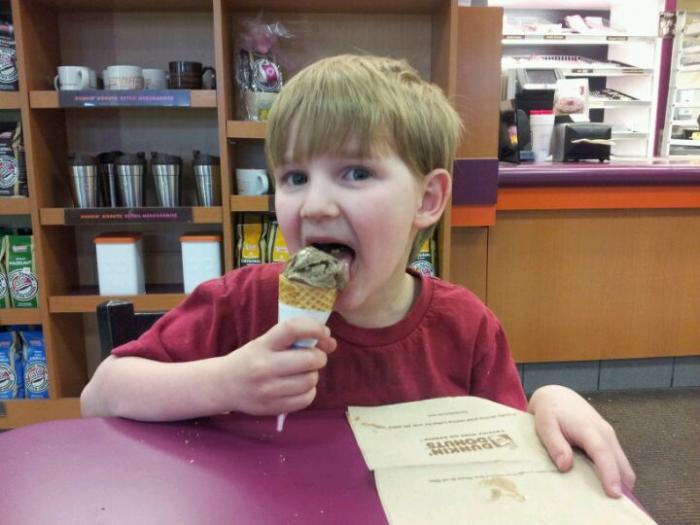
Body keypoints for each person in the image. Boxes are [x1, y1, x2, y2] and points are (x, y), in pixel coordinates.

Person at [81, 54, 635, 498]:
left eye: (356, 172)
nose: (315, 204)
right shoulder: (239, 303)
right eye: (295, 177)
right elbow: (100, 396)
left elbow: (506, 452)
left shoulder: (465, 326)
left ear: (428, 198)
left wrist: (547, 402)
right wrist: (226, 382)